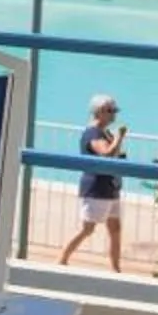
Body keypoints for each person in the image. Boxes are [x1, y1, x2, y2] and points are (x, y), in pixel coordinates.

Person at [59, 92, 127, 271]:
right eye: (110, 111)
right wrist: (119, 137)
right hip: (97, 188)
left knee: (115, 228)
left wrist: (117, 142)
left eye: (114, 111)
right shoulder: (93, 133)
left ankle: (116, 269)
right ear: (99, 112)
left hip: (111, 187)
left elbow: (115, 155)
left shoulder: (105, 133)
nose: (114, 115)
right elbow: (106, 154)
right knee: (88, 228)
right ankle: (62, 258)